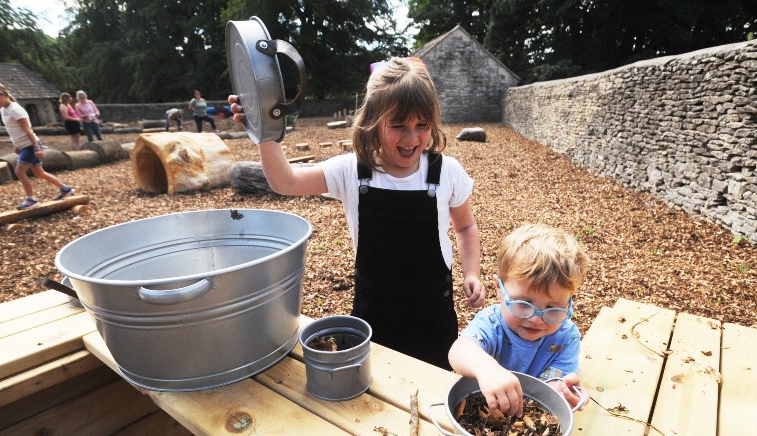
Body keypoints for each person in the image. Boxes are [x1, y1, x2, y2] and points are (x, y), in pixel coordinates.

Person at [228, 57, 485, 368]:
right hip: (374, 313)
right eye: (398, 125)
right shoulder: (352, 171)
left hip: (432, 316)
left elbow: (466, 228)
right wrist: (263, 129)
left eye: (422, 125)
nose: (412, 138)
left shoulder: (447, 172)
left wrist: (472, 272)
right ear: (373, 122)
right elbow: (286, 181)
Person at [448, 223, 591, 417]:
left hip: (528, 420)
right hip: (483, 407)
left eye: (553, 308)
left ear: (569, 302)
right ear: (499, 290)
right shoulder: (492, 324)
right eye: (524, 303)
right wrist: (486, 368)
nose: (536, 319)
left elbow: (554, 383)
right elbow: (459, 350)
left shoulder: (566, 337)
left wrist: (565, 391)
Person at [0, 81, 74, 210]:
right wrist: (17, 145)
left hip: (30, 145)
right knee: (39, 173)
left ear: (2, 94)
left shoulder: (15, 109)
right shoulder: (3, 110)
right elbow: (14, 130)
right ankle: (65, 189)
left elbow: (28, 130)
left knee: (19, 172)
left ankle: (31, 199)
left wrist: (36, 147)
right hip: (24, 146)